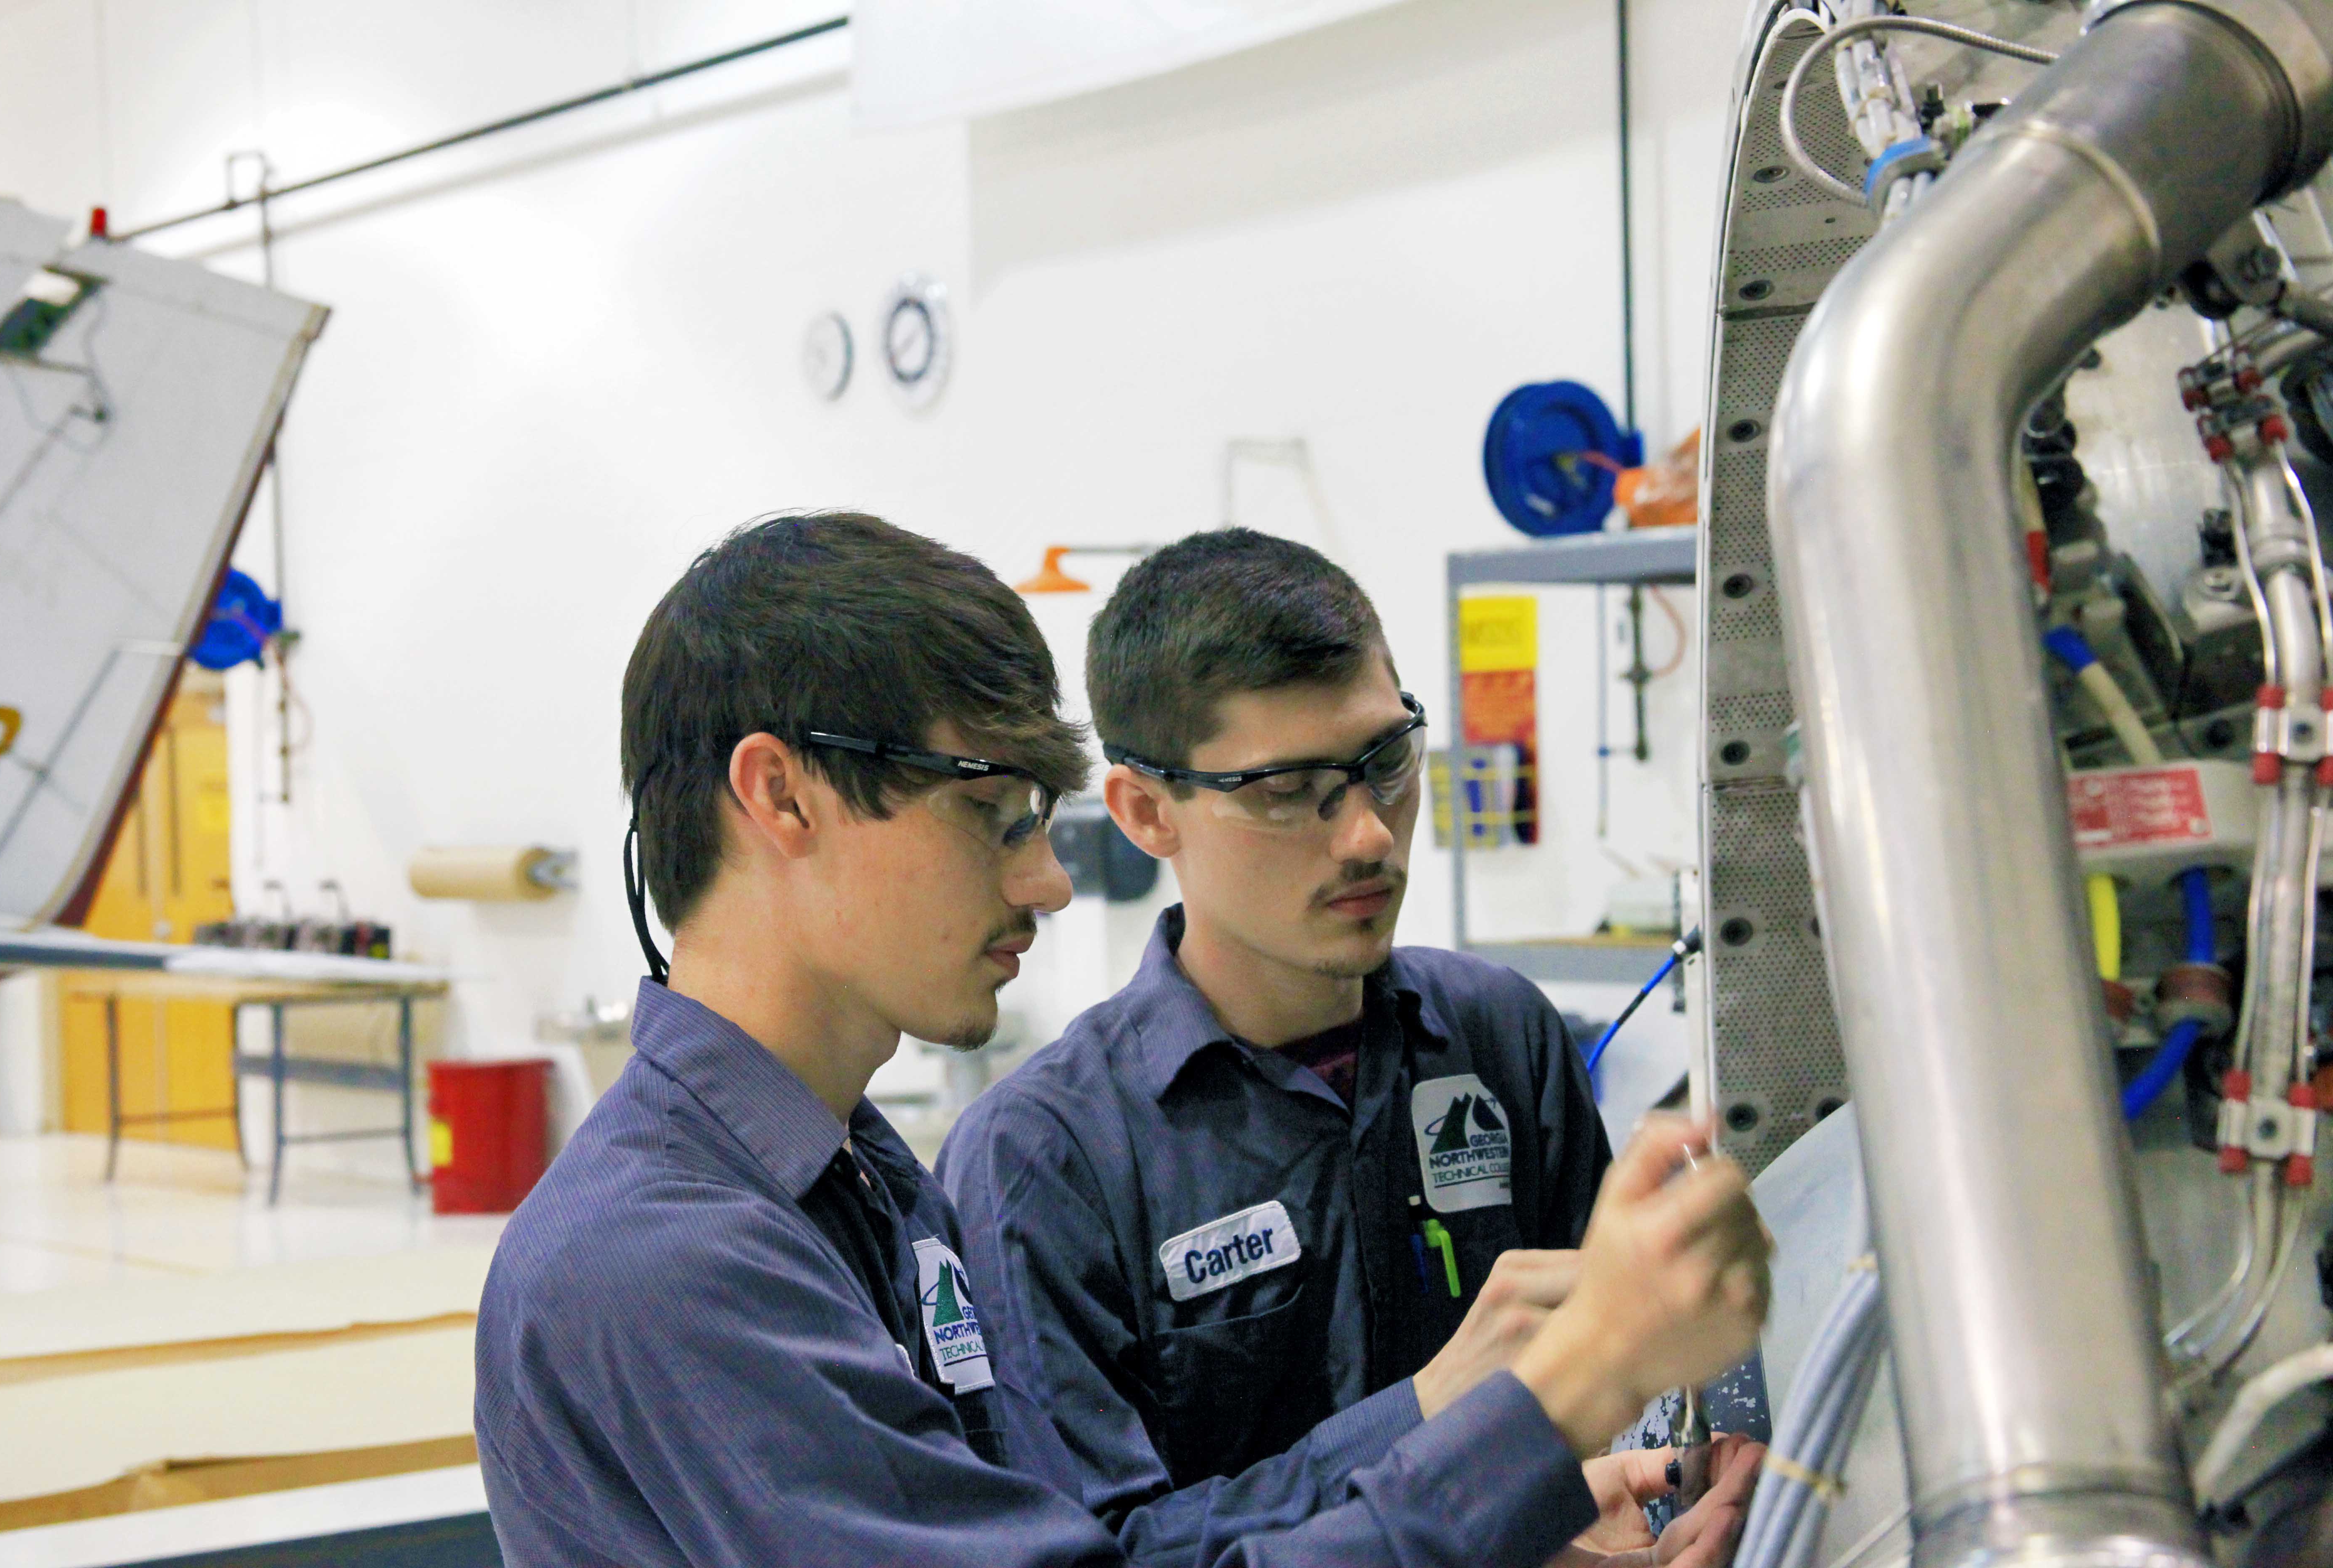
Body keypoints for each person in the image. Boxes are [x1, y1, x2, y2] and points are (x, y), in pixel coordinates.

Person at [472, 512, 1772, 1568]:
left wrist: (1529, 1511)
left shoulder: (869, 1192)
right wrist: (1548, 1401)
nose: (1046, 882)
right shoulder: (666, 1264)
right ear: (780, 796)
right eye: (993, 813)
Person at [940, 528, 1760, 1564]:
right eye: (1289, 791)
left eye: (1386, 762)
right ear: (1148, 813)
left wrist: (1649, 1502)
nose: (1369, 833)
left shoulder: (1499, 1040)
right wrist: (1429, 1415)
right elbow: (1104, 1553)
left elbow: (1617, 1427)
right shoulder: (1045, 1166)